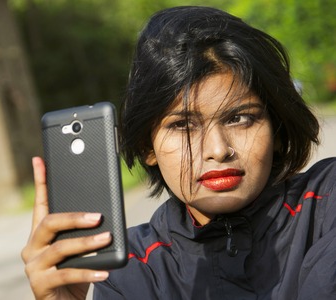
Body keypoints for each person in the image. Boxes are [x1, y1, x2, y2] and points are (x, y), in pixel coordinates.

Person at [21, 6, 336, 300]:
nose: (217, 150)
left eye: (240, 118)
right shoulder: (130, 271)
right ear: (147, 147)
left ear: (278, 128)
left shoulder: (326, 205)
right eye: (184, 125)